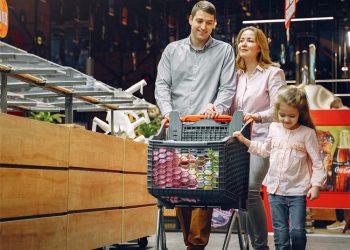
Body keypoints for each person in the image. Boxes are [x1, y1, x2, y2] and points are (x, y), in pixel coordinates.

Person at [154, 1, 236, 249]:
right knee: (181, 187)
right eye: (199, 21)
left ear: (215, 24)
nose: (203, 27)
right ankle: (191, 243)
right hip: (177, 130)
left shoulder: (224, 51)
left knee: (204, 187)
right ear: (190, 19)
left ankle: (196, 244)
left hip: (208, 129)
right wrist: (168, 114)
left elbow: (227, 88)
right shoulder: (171, 50)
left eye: (209, 23)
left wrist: (217, 107)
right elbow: (162, 86)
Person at [233, 86, 326, 250]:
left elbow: (318, 162)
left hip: (297, 191)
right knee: (280, 235)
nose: (286, 120)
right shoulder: (274, 128)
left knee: (297, 232)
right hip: (275, 191)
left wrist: (316, 185)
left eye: (292, 116)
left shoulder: (307, 133)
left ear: (301, 113)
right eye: (282, 115)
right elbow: (264, 150)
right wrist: (244, 141)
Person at [230, 26, 286, 250]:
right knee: (239, 195)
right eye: (241, 40)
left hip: (262, 140)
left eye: (249, 40)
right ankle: (248, 244)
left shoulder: (273, 73)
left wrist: (258, 117)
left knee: (251, 190)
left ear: (259, 46)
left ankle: (260, 246)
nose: (243, 43)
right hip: (237, 142)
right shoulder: (235, 76)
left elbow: (280, 109)